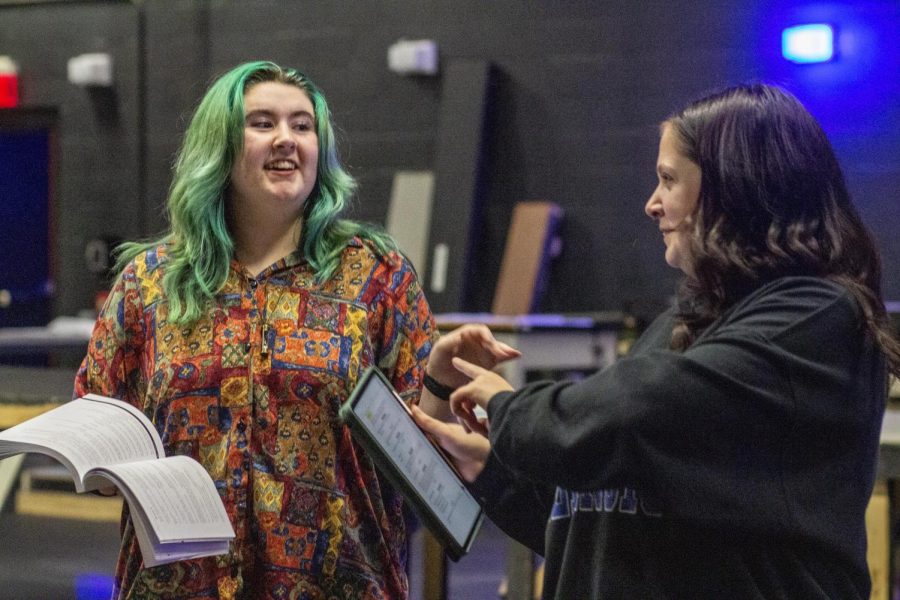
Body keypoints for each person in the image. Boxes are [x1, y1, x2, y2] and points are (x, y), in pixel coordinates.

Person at [413, 83, 900, 599]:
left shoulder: (817, 315)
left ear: (734, 190)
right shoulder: (689, 317)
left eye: (668, 180)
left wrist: (509, 408)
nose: (651, 204)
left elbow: (634, 413)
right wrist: (490, 469)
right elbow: (603, 522)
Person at [75, 61, 439, 599]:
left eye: (303, 125)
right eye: (262, 123)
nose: (286, 139)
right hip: (178, 586)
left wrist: (446, 384)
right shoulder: (149, 283)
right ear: (219, 146)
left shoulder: (377, 277)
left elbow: (425, 450)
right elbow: (98, 428)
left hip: (338, 585)